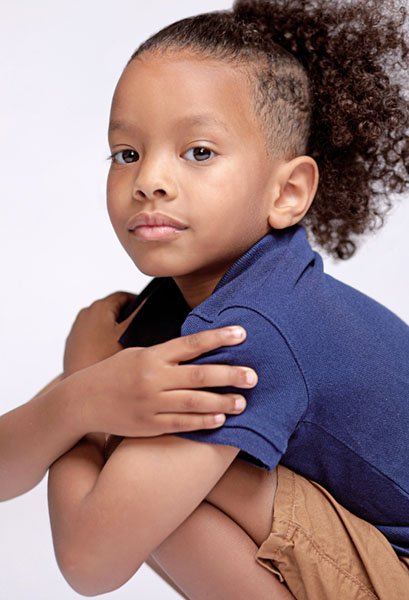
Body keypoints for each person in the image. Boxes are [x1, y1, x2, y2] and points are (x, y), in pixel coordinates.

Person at [47, 0, 409, 598]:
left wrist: (83, 383)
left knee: (143, 476)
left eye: (199, 152)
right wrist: (75, 403)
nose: (149, 181)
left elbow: (89, 562)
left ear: (288, 192)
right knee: (145, 457)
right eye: (127, 154)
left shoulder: (249, 329)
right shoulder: (195, 293)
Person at [0, 291, 253, 501]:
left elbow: (88, 543)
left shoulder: (244, 326)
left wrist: (84, 384)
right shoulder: (167, 299)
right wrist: (83, 390)